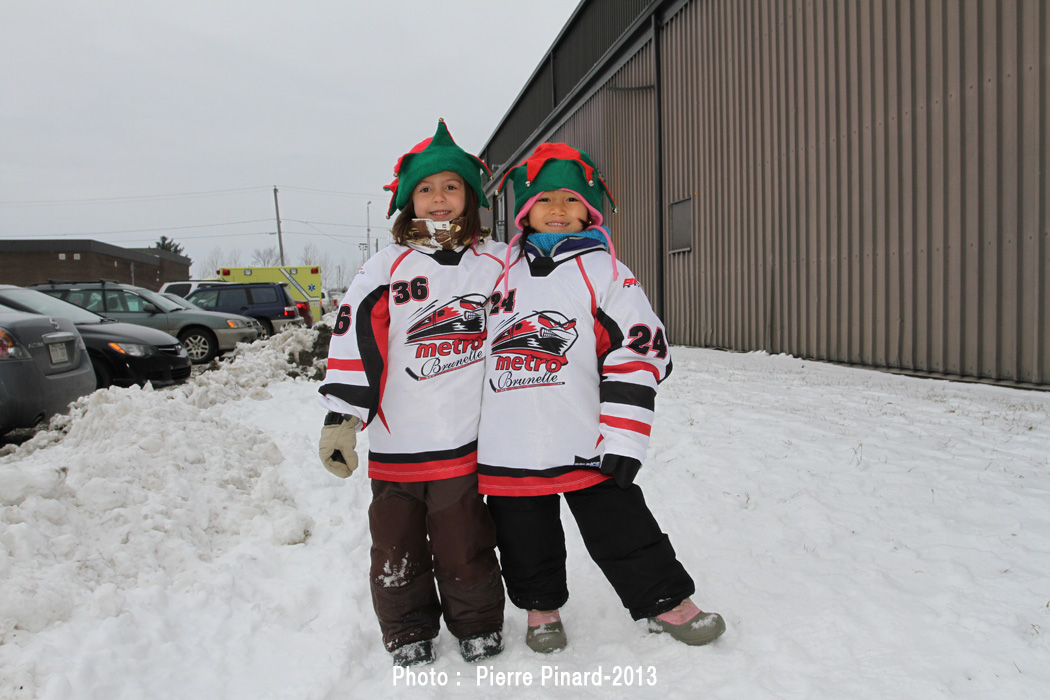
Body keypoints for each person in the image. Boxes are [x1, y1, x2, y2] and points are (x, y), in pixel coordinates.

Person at [476, 142, 726, 654]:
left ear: (590, 208)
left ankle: (665, 600)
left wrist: (625, 437)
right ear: (524, 211)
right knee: (522, 531)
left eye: (571, 198)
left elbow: (639, 352)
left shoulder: (608, 272)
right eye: (545, 199)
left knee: (620, 523)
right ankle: (541, 609)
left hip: (584, 433)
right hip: (509, 438)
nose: (559, 209)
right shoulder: (497, 271)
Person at [317, 119, 507, 667]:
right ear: (407, 199)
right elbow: (356, 343)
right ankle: (406, 629)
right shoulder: (384, 268)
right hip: (397, 443)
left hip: (462, 440)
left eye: (451, 186)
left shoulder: (497, 263)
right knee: (395, 546)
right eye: (426, 188)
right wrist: (341, 419)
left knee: (464, 540)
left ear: (470, 197)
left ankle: (477, 622)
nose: (439, 198)